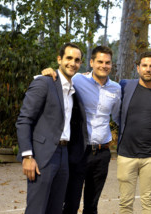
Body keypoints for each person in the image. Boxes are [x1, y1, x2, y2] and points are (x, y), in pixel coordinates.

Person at [42, 46, 121, 214]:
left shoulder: (116, 89)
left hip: (102, 153)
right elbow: (58, 78)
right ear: (91, 62)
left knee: (92, 206)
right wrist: (48, 71)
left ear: (111, 65)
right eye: (99, 61)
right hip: (79, 151)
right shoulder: (77, 80)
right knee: (71, 203)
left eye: (107, 62)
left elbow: (117, 116)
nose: (103, 65)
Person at [16, 43, 87, 214]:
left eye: (77, 60)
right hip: (43, 155)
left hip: (64, 155)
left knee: (55, 209)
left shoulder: (73, 90)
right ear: (59, 59)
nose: (73, 63)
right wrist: (27, 156)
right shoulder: (44, 83)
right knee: (37, 209)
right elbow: (24, 120)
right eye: (69, 58)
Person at [117, 51, 151, 214]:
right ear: (137, 68)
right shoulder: (125, 86)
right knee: (125, 204)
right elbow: (101, 87)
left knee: (148, 202)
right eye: (144, 65)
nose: (148, 69)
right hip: (126, 155)